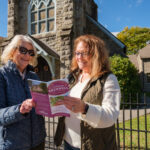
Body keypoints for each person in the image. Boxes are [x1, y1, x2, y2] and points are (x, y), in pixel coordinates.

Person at [54, 35, 121, 150]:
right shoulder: (72, 77)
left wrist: (85, 108)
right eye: (77, 53)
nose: (79, 57)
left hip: (93, 145)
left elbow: (110, 117)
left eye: (84, 53)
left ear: (96, 55)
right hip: (68, 142)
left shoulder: (108, 79)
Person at [0, 35, 46, 150]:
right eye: (23, 50)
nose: (27, 55)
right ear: (12, 51)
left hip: (38, 142)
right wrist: (19, 110)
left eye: (30, 52)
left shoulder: (34, 76)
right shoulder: (2, 76)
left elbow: (41, 105)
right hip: (14, 145)